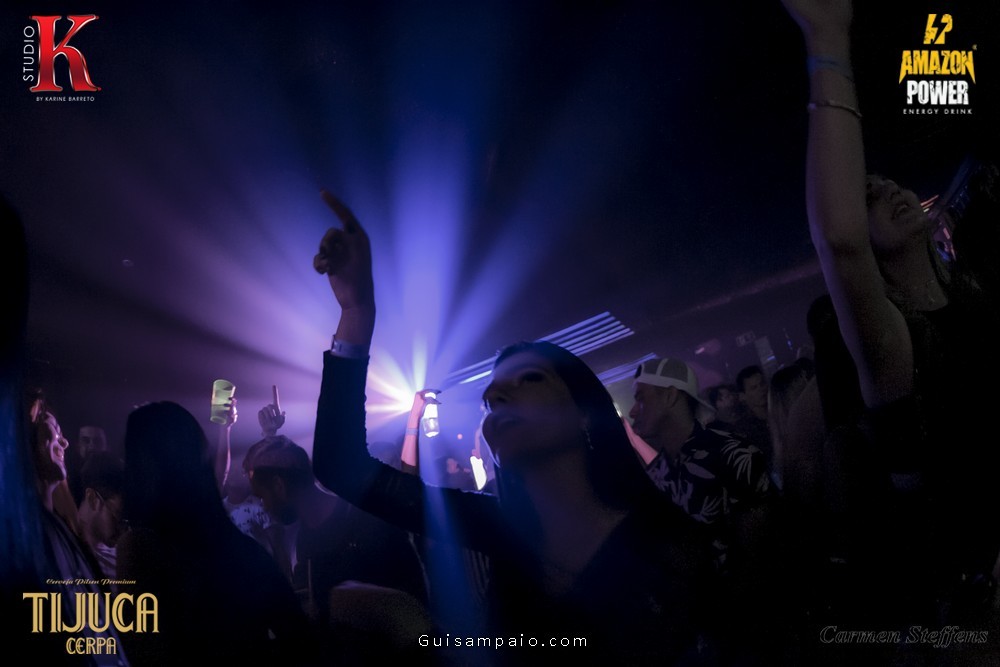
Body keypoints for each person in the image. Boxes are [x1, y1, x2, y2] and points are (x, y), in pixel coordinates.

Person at [309, 191, 716, 666]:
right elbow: (341, 468)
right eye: (492, 395)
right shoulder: (500, 528)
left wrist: (414, 630)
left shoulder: (671, 543)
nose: (498, 396)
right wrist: (358, 313)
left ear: (585, 413)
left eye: (531, 379)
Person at [781, 0, 1000, 658]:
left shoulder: (973, 296)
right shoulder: (894, 341)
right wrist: (827, 37)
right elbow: (840, 239)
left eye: (891, 183)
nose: (894, 191)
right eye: (871, 196)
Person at [116, 401, 317, 667]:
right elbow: (301, 640)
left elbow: (142, 652)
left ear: (140, 469)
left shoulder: (139, 550)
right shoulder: (243, 550)